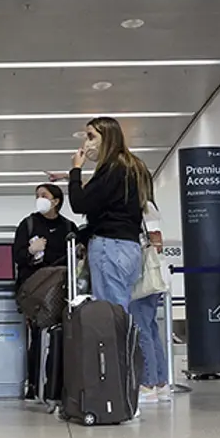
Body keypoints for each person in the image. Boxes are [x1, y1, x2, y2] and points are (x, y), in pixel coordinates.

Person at [68, 117, 148, 312]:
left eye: (91, 136)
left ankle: (114, 334)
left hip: (109, 245)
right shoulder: (135, 167)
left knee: (108, 312)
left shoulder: (111, 169)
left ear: (107, 138)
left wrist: (75, 170)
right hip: (130, 246)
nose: (86, 143)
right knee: (121, 309)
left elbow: (79, 203)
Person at [12, 184, 77, 399]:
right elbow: (17, 256)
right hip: (36, 289)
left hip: (62, 288)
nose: (39, 199)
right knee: (39, 334)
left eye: (44, 195)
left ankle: (58, 384)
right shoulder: (28, 224)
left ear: (56, 201)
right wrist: (31, 251)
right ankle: (35, 384)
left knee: (62, 334)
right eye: (37, 195)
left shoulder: (68, 227)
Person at [130, 200, 170, 404]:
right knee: (151, 329)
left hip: (144, 278)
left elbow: (155, 239)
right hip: (154, 277)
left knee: (142, 330)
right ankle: (161, 382)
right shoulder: (149, 206)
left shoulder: (143, 207)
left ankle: (147, 384)